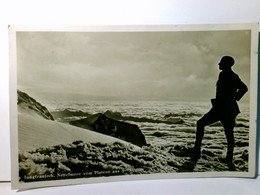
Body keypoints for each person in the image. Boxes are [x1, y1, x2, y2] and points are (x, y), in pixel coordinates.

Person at [189, 56, 248, 164]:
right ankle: (228, 158)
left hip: (223, 108)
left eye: (221, 63)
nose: (219, 64)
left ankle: (197, 150)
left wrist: (234, 97)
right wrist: (235, 97)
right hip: (228, 107)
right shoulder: (231, 75)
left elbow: (244, 88)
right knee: (229, 133)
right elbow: (244, 88)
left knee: (201, 123)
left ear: (226, 64)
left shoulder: (227, 75)